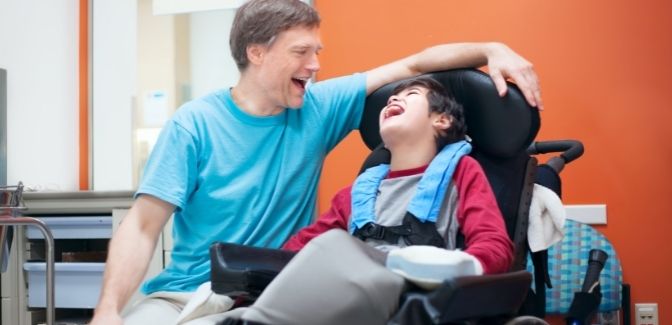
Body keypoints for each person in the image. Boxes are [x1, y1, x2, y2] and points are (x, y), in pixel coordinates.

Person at [90, 0, 542, 324]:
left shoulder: (318, 107)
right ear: (257, 52)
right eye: (302, 52)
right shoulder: (194, 125)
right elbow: (143, 226)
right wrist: (107, 311)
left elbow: (416, 63)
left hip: (269, 291)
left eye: (318, 52)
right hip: (186, 292)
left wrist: (491, 49)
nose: (316, 65)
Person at [229, 76, 513, 325]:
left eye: (410, 95)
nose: (394, 99)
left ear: (442, 120)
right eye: (392, 97)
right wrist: (250, 280)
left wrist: (457, 266)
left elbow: (495, 246)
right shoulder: (358, 191)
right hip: (348, 293)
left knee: (334, 245)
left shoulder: (461, 172)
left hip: (409, 290)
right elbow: (301, 248)